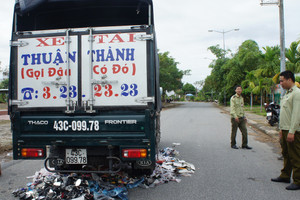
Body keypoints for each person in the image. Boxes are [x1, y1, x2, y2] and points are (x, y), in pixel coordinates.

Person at [271, 70, 300, 190]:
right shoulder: (287, 93)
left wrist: (292, 131)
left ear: (289, 79)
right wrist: (281, 130)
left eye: (282, 81)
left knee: (295, 156)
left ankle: (298, 181)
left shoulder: (297, 93)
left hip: (292, 130)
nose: (280, 83)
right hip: (285, 129)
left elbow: (296, 114)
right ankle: (285, 175)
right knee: (286, 154)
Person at [230, 85, 252, 150]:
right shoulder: (233, 98)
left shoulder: (241, 98)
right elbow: (232, 108)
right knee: (234, 132)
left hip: (241, 118)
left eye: (240, 89)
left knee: (244, 131)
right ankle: (233, 144)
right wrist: (235, 116)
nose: (239, 90)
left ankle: (244, 144)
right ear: (235, 90)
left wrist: (244, 116)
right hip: (235, 118)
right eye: (238, 89)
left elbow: (242, 108)